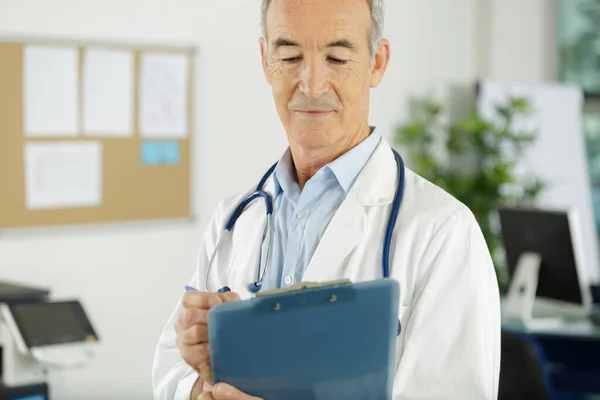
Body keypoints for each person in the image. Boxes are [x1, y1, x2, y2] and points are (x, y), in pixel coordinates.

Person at [152, 0, 501, 399]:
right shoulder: (234, 219)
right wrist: (201, 384)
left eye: (336, 57)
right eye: (289, 55)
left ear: (377, 63)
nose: (312, 84)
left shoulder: (443, 232)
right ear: (266, 60)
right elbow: (168, 374)